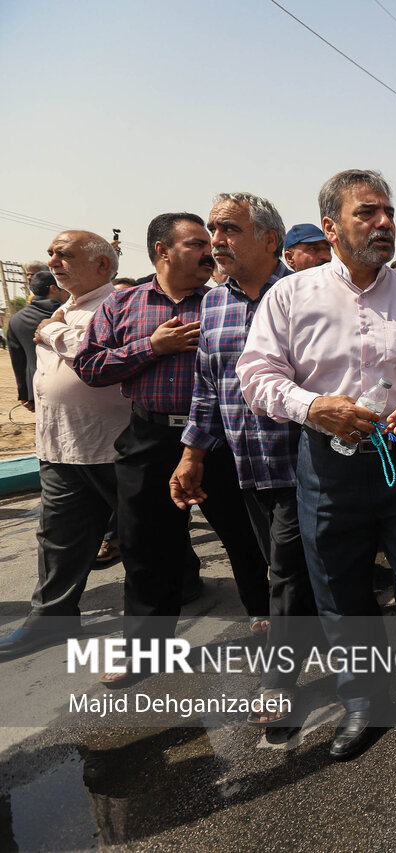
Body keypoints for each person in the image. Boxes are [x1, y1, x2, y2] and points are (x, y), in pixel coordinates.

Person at [238, 169, 396, 760]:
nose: (384, 223)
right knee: (340, 590)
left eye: (387, 212)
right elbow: (256, 376)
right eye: (367, 213)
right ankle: (364, 699)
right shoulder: (290, 296)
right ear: (332, 227)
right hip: (328, 466)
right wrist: (315, 407)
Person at [74, 213, 269, 685]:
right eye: (198, 243)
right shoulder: (124, 305)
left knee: (246, 536)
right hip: (150, 439)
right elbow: (90, 366)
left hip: (221, 438)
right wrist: (150, 347)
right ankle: (145, 650)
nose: (211, 250)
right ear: (162, 251)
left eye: (212, 242)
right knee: (145, 546)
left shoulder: (228, 301)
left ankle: (266, 618)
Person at [169, 193, 314, 724]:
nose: (216, 240)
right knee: (282, 568)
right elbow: (208, 388)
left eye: (228, 228)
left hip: (304, 464)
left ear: (270, 239)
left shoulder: (306, 295)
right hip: (246, 466)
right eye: (212, 229)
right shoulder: (214, 303)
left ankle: (280, 684)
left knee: (285, 571)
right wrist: (192, 455)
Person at [0, 231, 130, 659]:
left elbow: (107, 356)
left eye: (66, 254)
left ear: (102, 266)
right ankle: (51, 619)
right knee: (57, 536)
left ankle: (181, 586)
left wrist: (52, 333)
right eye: (52, 254)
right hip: (59, 445)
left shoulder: (121, 306)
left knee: (142, 532)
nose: (54, 261)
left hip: (111, 444)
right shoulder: (62, 310)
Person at [8, 270, 66, 412]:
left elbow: (18, 361)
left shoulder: (16, 319)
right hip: (74, 389)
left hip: (37, 386)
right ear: (54, 288)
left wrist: (24, 394)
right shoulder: (66, 313)